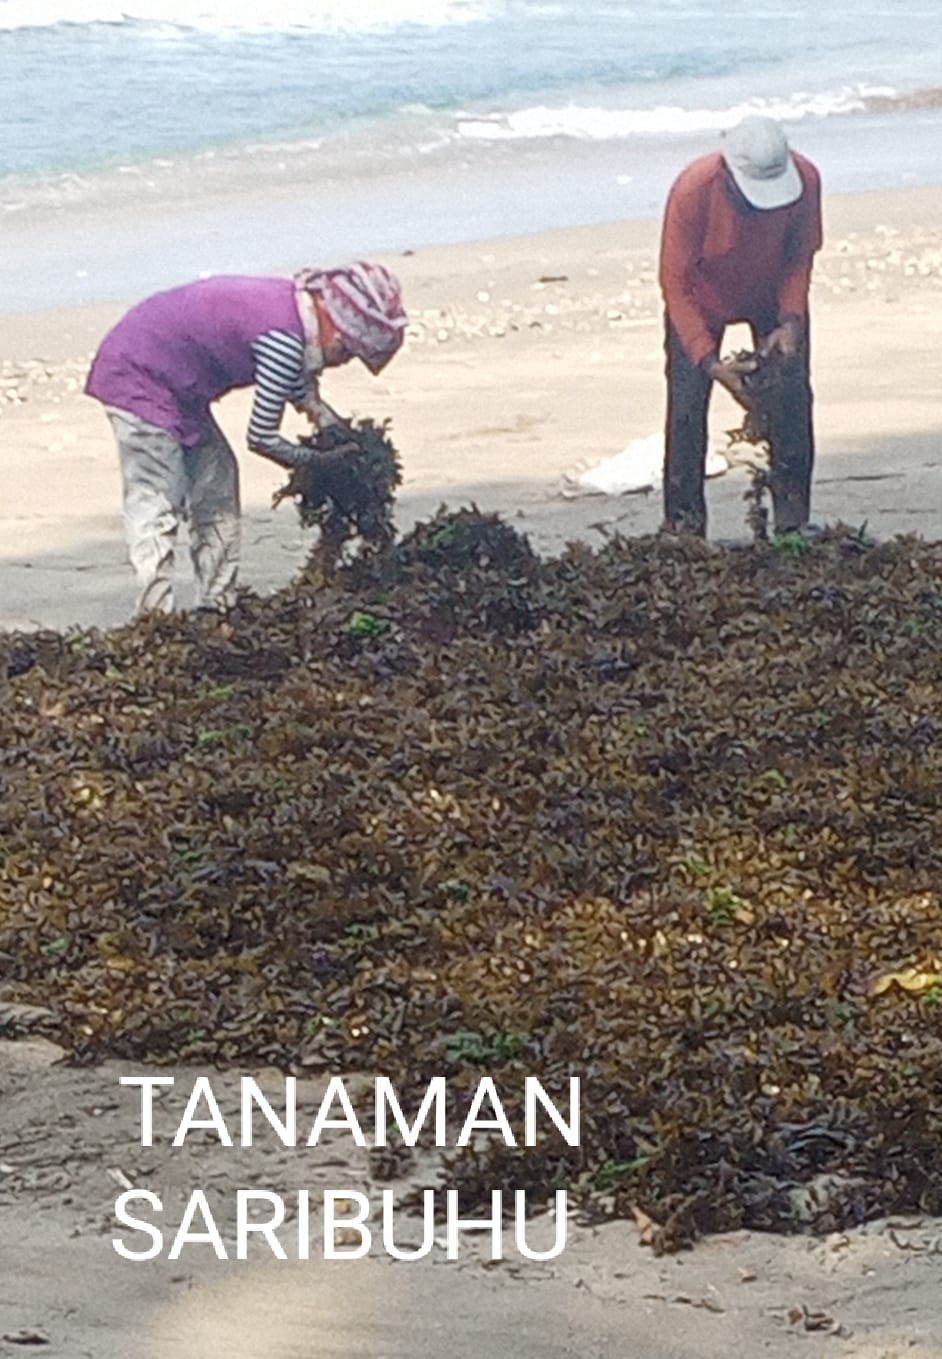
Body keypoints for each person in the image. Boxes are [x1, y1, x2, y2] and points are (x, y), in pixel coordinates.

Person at [85, 262, 408, 614]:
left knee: (217, 485)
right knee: (158, 498)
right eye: (347, 353)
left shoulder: (293, 309)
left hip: (179, 385)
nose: (341, 362)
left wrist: (328, 421)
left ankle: (215, 605)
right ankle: (154, 613)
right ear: (339, 332)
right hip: (136, 373)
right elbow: (261, 436)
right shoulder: (284, 341)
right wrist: (317, 462)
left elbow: (299, 386)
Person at [658, 115, 822, 536]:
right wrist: (709, 362)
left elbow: (799, 256)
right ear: (729, 173)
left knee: (792, 400)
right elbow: (675, 283)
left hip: (772, 295)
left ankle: (792, 524)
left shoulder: (806, 180)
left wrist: (790, 320)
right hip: (701, 298)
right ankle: (684, 529)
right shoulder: (693, 190)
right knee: (687, 408)